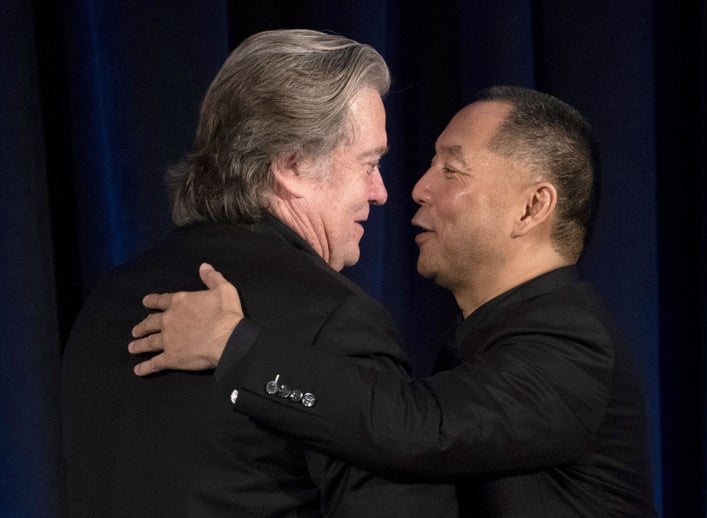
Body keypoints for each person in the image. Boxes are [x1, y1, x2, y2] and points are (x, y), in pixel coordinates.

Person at [129, 86, 657, 516]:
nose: (417, 188)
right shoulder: (500, 336)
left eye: (451, 169)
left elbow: (419, 430)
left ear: (532, 207)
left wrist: (234, 347)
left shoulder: (574, 341)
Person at [62, 28, 457, 517]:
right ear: (291, 165)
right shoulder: (337, 319)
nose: (381, 192)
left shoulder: (108, 298)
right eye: (369, 163)